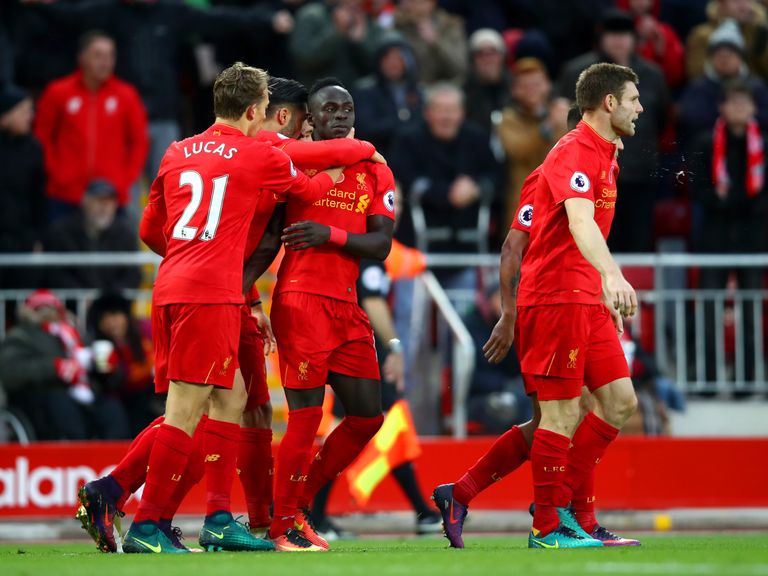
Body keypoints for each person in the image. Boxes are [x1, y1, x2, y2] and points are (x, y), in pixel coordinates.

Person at [75, 75, 372, 554]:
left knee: (234, 401)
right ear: (264, 112)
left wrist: (200, 265)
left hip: (197, 288)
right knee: (197, 408)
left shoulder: (176, 151)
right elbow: (314, 176)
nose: (304, 132)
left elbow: (152, 228)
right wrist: (361, 152)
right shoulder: (265, 152)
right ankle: (153, 518)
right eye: (300, 121)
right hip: (212, 294)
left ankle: (200, 513)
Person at [432, 109, 640, 548]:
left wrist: (602, 290)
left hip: (582, 302)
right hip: (549, 303)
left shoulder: (604, 167)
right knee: (559, 416)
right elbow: (513, 246)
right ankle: (553, 517)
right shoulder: (551, 173)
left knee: (568, 416)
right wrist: (508, 316)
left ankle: (467, 493)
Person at [267, 78, 396, 552]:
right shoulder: (289, 163)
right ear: (311, 120)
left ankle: (294, 502)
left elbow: (381, 245)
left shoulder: (375, 171)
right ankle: (283, 525)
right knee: (305, 418)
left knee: (367, 416)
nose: (339, 114)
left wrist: (331, 235)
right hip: (301, 302)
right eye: (328, 109)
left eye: (346, 107)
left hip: (346, 305)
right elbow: (267, 232)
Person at [688, 79, 767, 384]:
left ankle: (747, 380)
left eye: (744, 103)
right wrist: (730, 201)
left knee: (749, 311)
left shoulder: (764, 143)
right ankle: (707, 378)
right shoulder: (704, 142)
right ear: (721, 107)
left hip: (752, 237)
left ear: (753, 108)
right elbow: (697, 189)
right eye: (732, 102)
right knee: (708, 310)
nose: (738, 108)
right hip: (714, 237)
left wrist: (736, 201)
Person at [34, 30, 148, 223]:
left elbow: (139, 142)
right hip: (66, 194)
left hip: (110, 197)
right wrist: (56, 173)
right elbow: (41, 137)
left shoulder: (126, 95)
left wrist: (125, 179)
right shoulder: (58, 92)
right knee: (61, 250)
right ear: (82, 57)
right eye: (98, 55)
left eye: (110, 55)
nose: (105, 62)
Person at [0, 290, 130, 441]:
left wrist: (107, 366)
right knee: (61, 404)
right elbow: (10, 373)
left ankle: (114, 457)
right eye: (41, 310)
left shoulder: (74, 333)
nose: (48, 313)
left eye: (51, 309)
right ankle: (73, 456)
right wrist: (54, 368)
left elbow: (108, 376)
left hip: (83, 395)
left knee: (112, 409)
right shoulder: (20, 336)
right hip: (43, 396)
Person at [43, 179, 141, 292]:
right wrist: (80, 295)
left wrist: (109, 298)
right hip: (71, 304)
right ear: (85, 200)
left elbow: (133, 275)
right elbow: (55, 273)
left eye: (109, 201)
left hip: (112, 306)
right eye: (99, 200)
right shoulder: (62, 231)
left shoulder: (126, 234)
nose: (104, 207)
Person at [0, 84, 46, 291]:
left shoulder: (33, 149)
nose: (30, 117)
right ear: (6, 116)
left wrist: (38, 238)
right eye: (24, 111)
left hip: (22, 238)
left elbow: (38, 198)